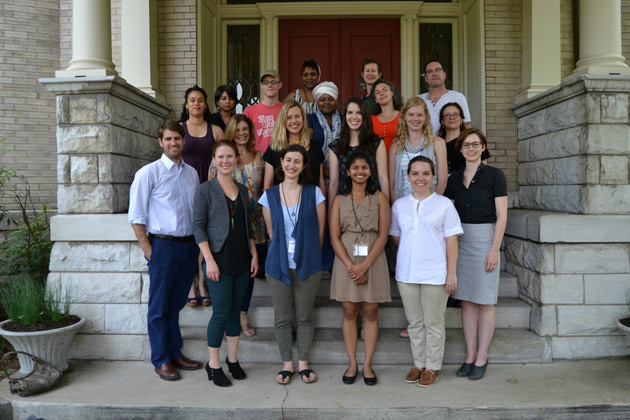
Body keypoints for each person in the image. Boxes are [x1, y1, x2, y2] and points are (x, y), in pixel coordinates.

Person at [128, 120, 203, 381]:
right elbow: (136, 217)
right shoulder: (148, 173)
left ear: (184, 141)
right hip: (162, 246)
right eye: (168, 139)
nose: (173, 143)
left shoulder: (192, 173)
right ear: (160, 142)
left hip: (187, 247)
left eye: (177, 138)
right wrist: (150, 251)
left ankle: (174, 352)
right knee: (159, 306)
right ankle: (161, 359)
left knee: (175, 304)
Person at [390, 155, 463, 388]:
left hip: (435, 273)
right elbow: (396, 236)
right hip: (407, 273)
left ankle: (432, 367)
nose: (420, 178)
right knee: (415, 322)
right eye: (415, 173)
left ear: (433, 177)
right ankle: (418, 364)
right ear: (408, 176)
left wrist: (451, 273)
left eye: (425, 173)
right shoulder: (399, 205)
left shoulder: (444, 204)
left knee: (433, 322)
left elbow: (452, 241)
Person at [193, 140, 259, 387]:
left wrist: (254, 253)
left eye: (229, 156)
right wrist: (209, 260)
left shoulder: (242, 189)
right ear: (213, 159)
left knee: (235, 311)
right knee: (220, 312)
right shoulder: (205, 190)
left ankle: (233, 360)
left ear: (236, 159)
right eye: (220, 156)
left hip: (241, 258)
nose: (225, 161)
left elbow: (247, 225)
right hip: (218, 259)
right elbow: (198, 227)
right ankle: (213, 365)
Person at [259, 144, 326, 384]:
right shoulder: (269, 196)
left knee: (305, 316)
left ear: (304, 165)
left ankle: (304, 363)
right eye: (288, 160)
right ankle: (287, 364)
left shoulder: (314, 193)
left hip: (308, 264)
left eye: (297, 161)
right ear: (281, 162)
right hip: (278, 265)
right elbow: (271, 233)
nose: (292, 165)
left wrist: (309, 255)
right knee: (282, 317)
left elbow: (320, 232)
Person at [445, 128, 507, 381]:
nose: (470, 149)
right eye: (466, 145)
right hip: (461, 240)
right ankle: (470, 356)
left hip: (485, 239)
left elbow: (502, 215)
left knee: (484, 302)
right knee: (467, 301)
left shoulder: (495, 175)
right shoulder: (453, 179)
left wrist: (494, 249)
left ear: (483, 147)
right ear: (460, 150)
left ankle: (482, 357)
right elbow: (448, 214)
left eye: (475, 144)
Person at [329, 152, 391, 386]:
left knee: (371, 312)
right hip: (346, 258)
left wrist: (364, 265)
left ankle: (367, 365)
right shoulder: (339, 199)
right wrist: (351, 267)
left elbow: (383, 234)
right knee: (348, 311)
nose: (360, 171)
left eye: (364, 167)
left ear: (370, 171)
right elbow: (334, 237)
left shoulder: (380, 198)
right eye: (355, 167)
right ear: (347, 172)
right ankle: (352, 363)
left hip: (373, 258)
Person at [209, 115, 266, 337]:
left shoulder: (259, 158)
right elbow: (212, 192)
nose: (242, 133)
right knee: (228, 271)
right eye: (237, 129)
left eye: (245, 129)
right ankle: (226, 314)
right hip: (228, 225)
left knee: (248, 271)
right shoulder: (222, 158)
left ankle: (243, 313)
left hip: (255, 224)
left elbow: (264, 190)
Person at [180, 85, 225, 307]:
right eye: (192, 100)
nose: (196, 103)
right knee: (188, 233)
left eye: (200, 100)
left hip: (209, 186)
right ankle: (190, 284)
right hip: (184, 187)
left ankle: (203, 282)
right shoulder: (179, 128)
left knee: (204, 233)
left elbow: (224, 158)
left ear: (206, 105)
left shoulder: (215, 130)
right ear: (186, 105)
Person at [328, 98, 389, 205]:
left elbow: (383, 178)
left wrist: (386, 206)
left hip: (372, 200)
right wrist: (331, 211)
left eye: (358, 113)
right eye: (350, 112)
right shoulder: (336, 146)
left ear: (364, 116)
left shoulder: (377, 142)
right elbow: (333, 182)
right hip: (345, 202)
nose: (354, 117)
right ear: (345, 116)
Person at [388, 97, 448, 202]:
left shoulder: (437, 143)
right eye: (411, 115)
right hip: (403, 204)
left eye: (419, 115)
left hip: (431, 204)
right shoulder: (395, 148)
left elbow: (442, 181)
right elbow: (392, 185)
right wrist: (397, 207)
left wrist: (431, 205)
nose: (415, 119)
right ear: (404, 117)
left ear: (426, 117)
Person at [263, 101, 326, 194]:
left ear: (303, 119)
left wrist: (322, 202)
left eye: (297, 116)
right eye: (289, 117)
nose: (294, 121)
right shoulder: (274, 148)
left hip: (311, 201)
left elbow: (321, 182)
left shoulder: (315, 147)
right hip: (281, 201)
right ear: (283, 121)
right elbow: (267, 186)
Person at [418, 59, 471, 136]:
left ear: (444, 75)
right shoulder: (418, 100)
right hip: (424, 143)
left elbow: (467, 126)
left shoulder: (458, 97)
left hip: (451, 142)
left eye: (438, 70)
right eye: (429, 71)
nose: (434, 74)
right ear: (425, 78)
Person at [437, 102, 490, 173]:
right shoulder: (437, 143)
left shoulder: (473, 140)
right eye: (447, 115)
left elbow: (484, 169)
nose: (452, 118)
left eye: (456, 115)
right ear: (442, 121)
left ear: (461, 119)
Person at [244, 70, 284, 153]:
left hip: (281, 155)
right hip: (256, 156)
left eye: (273, 82)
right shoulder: (249, 111)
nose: (270, 85)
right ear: (261, 85)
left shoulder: (286, 109)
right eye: (266, 82)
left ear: (280, 85)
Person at [307, 81, 341, 174]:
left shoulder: (344, 120)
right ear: (317, 102)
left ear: (335, 101)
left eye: (331, 99)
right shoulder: (310, 119)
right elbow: (310, 146)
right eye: (322, 99)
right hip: (318, 168)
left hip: (342, 169)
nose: (327, 102)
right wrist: (324, 170)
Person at [371, 79, 402, 152]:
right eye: (377, 92)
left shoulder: (403, 116)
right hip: (377, 158)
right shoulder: (371, 120)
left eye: (384, 90)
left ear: (392, 93)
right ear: (376, 100)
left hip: (398, 157)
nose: (381, 93)